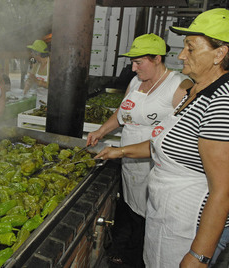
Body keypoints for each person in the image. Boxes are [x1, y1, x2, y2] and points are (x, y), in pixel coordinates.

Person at [95, 8, 229, 267]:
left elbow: (223, 189)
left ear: (220, 53)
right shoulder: (196, 93)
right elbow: (164, 143)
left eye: (190, 48)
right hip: (167, 215)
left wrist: (198, 255)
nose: (180, 55)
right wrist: (119, 151)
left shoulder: (221, 103)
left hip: (188, 224)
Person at [87, 33, 193, 267]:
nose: (133, 68)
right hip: (130, 161)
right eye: (132, 62)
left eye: (139, 62)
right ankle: (131, 248)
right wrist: (100, 131)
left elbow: (179, 137)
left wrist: (121, 151)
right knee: (132, 207)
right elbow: (122, 112)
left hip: (155, 163)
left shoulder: (178, 85)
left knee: (151, 216)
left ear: (157, 58)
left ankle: (139, 258)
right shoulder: (136, 81)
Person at [23, 40, 50, 107]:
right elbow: (30, 78)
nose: (31, 54)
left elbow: (53, 86)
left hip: (50, 101)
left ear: (37, 53)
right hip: (39, 100)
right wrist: (27, 86)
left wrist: (37, 81)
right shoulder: (37, 65)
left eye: (32, 52)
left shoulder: (51, 65)